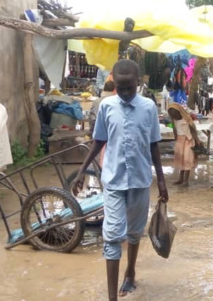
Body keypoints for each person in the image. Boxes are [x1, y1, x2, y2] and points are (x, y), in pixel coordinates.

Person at [73, 60, 168, 301]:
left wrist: (163, 182)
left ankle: (131, 272)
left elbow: (154, 144)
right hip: (113, 181)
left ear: (139, 83)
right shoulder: (106, 107)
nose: (125, 94)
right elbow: (98, 141)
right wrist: (81, 171)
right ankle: (112, 298)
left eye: (130, 88)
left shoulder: (148, 107)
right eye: (121, 88)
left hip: (140, 181)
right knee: (113, 235)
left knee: (135, 232)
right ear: (114, 83)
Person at [168, 103, 202, 187]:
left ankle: (185, 181)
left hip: (188, 141)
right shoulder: (174, 120)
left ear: (179, 112)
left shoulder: (187, 119)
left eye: (175, 114)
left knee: (187, 160)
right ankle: (180, 179)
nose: (174, 116)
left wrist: (197, 140)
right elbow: (175, 130)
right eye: (172, 115)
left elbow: (193, 130)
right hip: (180, 141)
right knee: (181, 160)